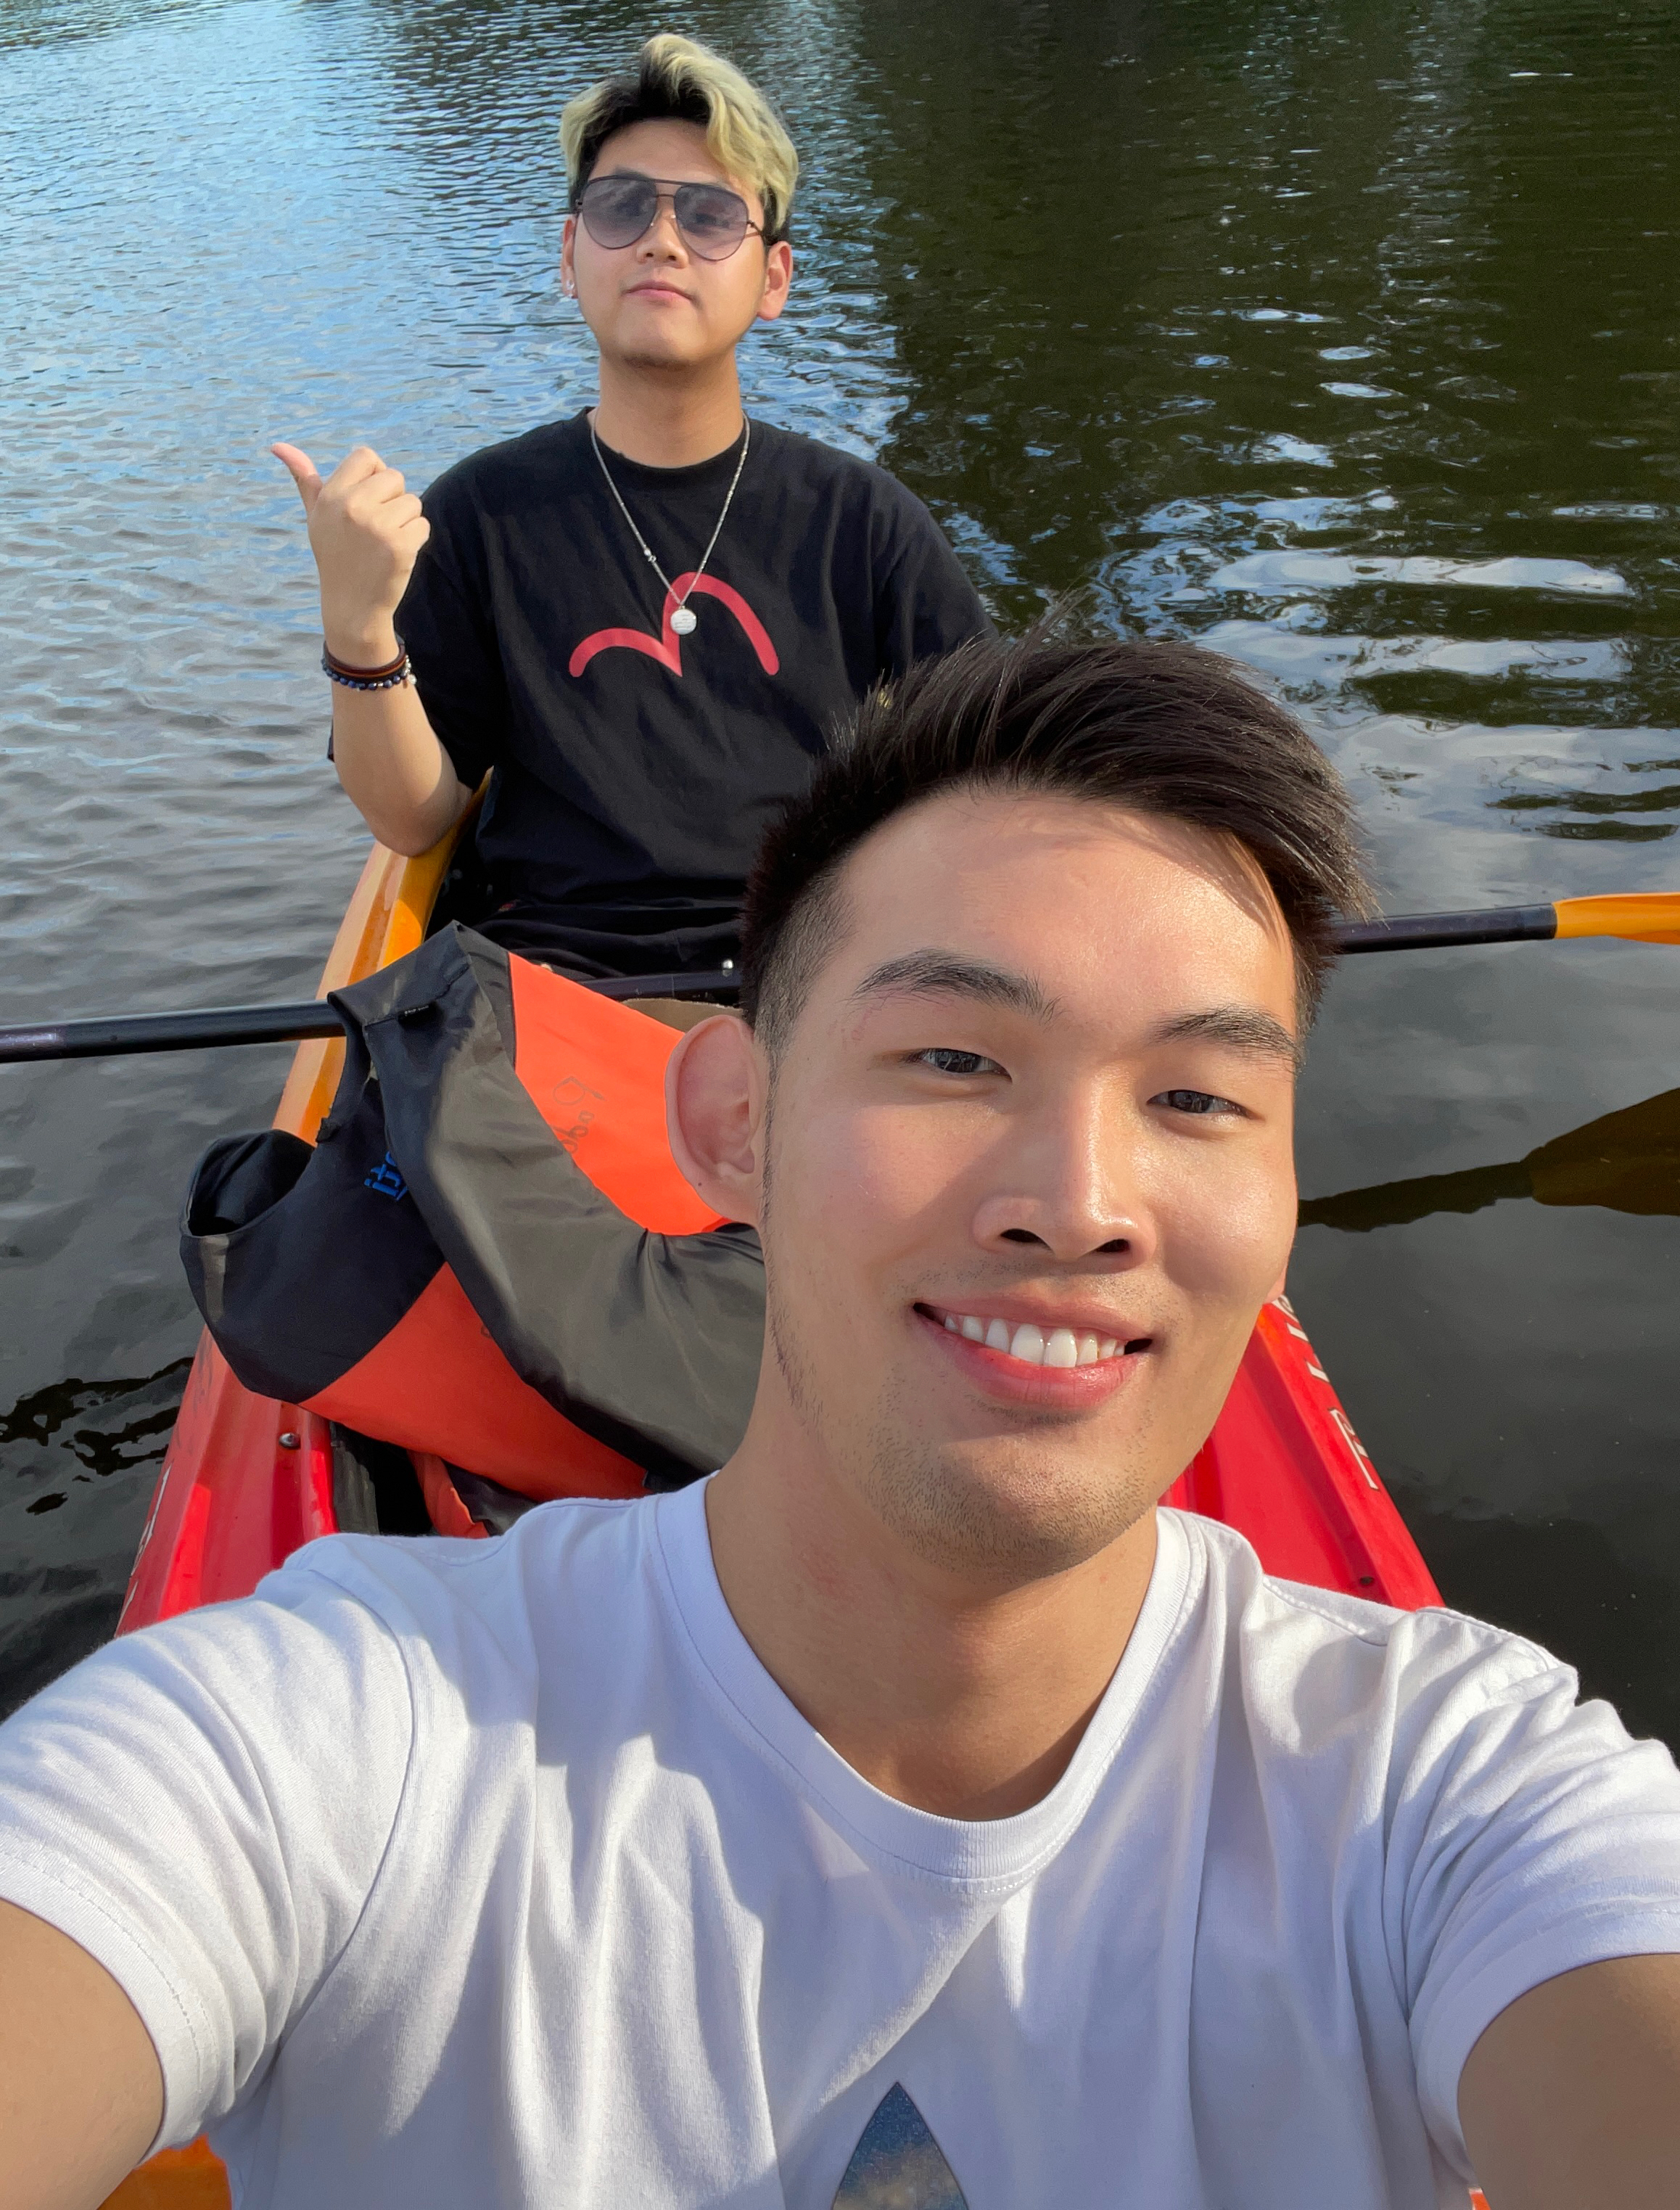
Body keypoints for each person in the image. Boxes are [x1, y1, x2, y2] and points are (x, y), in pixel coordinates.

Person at [4, 635, 1679, 2210]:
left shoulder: (1452, 1786)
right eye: (954, 1056)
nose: (1081, 1202)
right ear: (733, 1122)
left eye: (1196, 1096)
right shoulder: (324, 1735)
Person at [272, 33, 990, 993]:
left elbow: (996, 771)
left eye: (709, 214)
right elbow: (415, 821)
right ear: (571, 254)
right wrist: (358, 630)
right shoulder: (484, 516)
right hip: (551, 996)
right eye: (622, 208)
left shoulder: (864, 524)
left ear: (774, 276)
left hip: (806, 990)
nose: (662, 238)